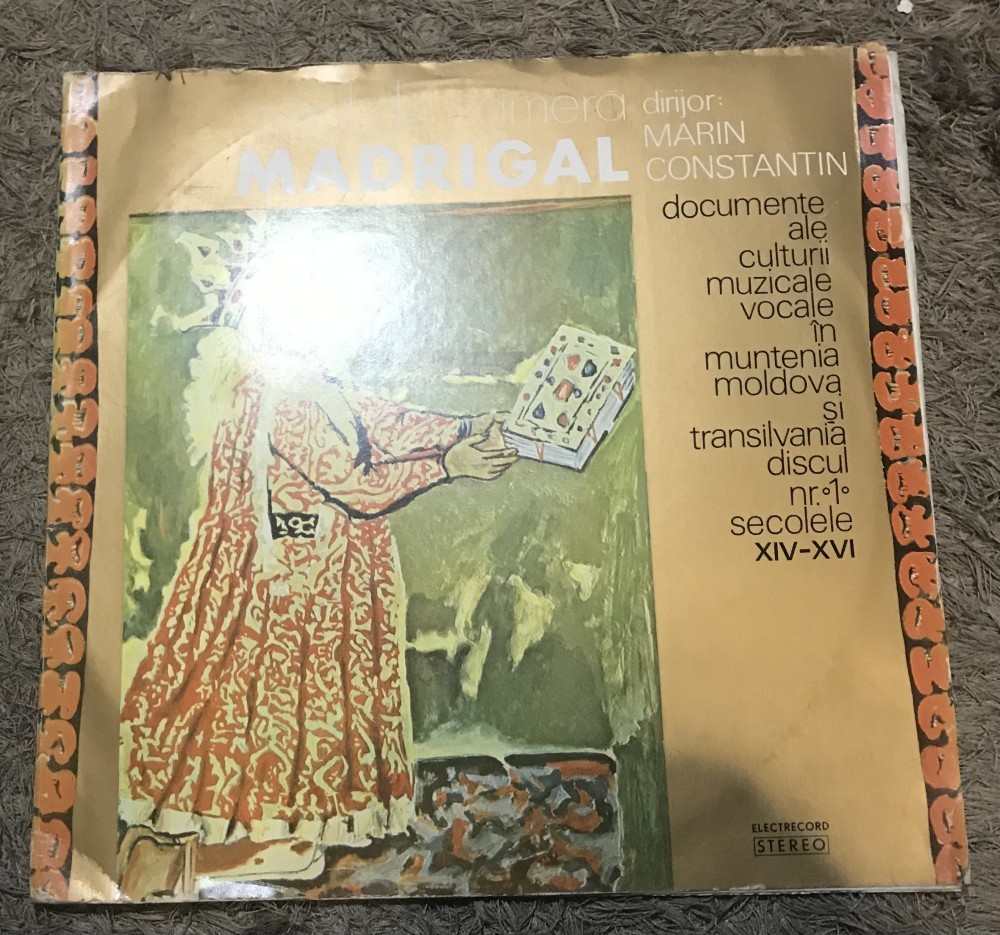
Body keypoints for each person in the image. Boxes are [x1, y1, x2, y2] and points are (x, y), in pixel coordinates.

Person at [118, 225, 517, 894]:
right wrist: (449, 464)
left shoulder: (311, 381)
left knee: (303, 722)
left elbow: (376, 421)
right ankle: (230, 851)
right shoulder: (283, 399)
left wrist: (461, 426)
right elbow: (357, 485)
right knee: (280, 715)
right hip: (296, 588)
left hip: (327, 575)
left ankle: (281, 833)